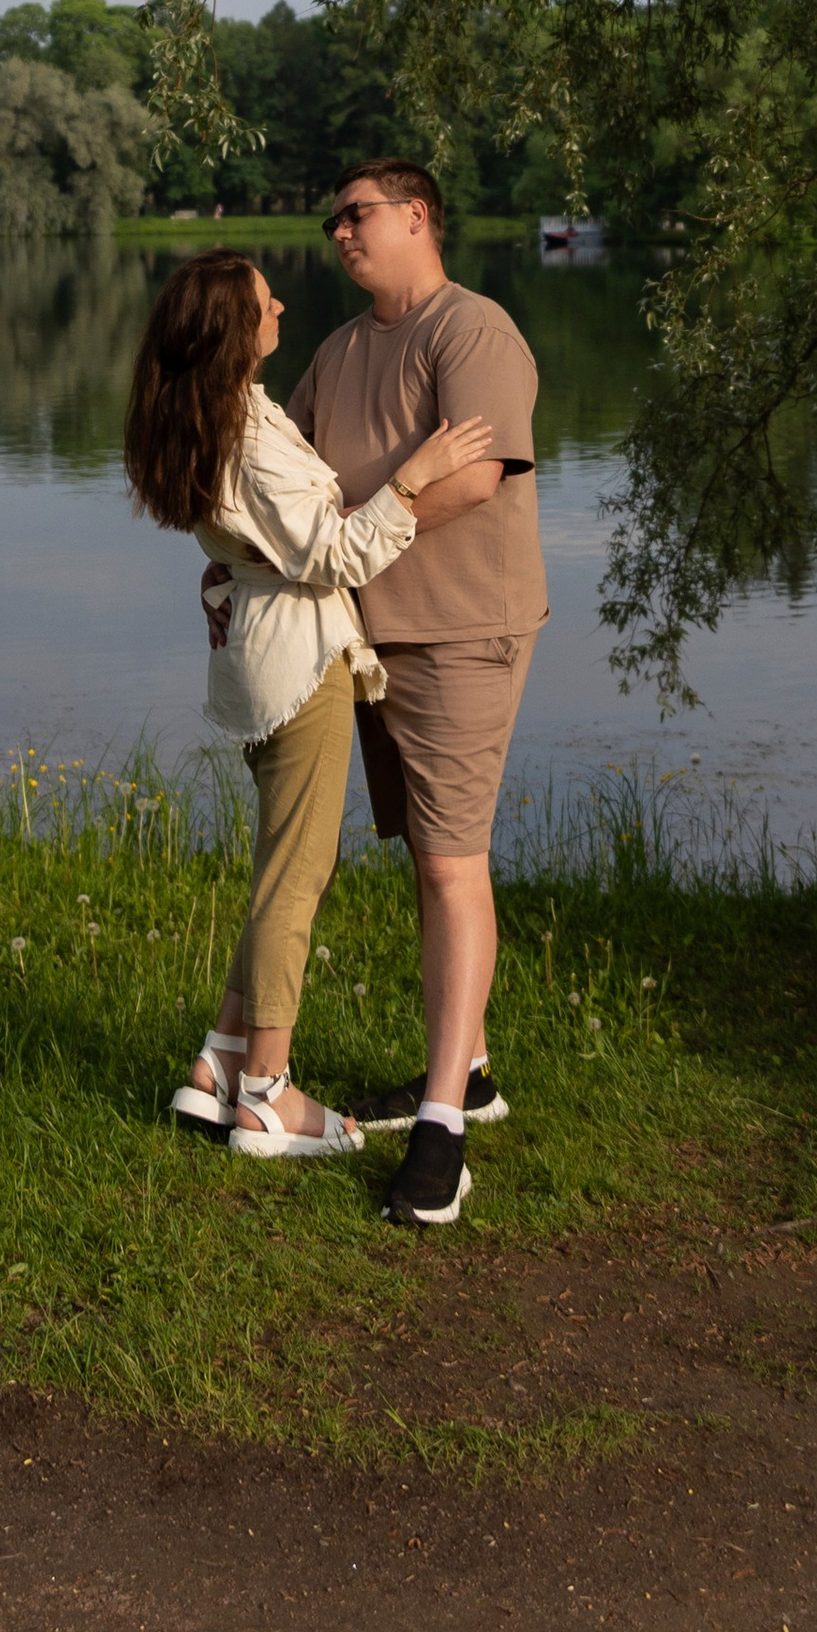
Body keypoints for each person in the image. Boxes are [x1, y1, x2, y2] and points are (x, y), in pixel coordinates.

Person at [121, 248, 498, 1160]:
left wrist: (235, 562)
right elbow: (334, 553)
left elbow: (253, 535)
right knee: (298, 876)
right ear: (232, 330)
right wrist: (415, 474)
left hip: (256, 647)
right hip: (296, 663)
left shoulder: (216, 414)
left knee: (280, 863)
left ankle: (218, 1062)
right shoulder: (245, 434)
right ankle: (269, 1096)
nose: (281, 303)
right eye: (264, 300)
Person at [287, 160, 543, 1228]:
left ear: (416, 215)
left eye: (356, 213)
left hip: (459, 632)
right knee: (426, 856)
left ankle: (442, 1128)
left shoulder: (470, 330)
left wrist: (344, 549)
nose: (338, 231)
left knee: (451, 862)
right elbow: (292, 475)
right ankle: (468, 1066)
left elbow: (478, 475)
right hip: (368, 640)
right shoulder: (340, 350)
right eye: (332, 219)